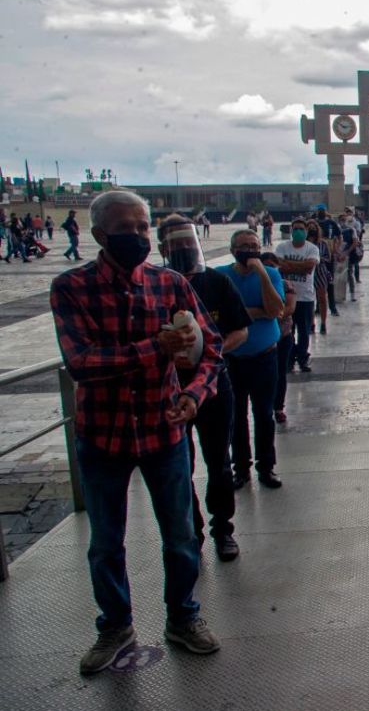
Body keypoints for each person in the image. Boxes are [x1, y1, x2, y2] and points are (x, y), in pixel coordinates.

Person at [50, 191, 223, 673]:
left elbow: (210, 352)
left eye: (144, 227)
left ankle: (183, 617)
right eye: (128, 228)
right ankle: (115, 625)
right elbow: (82, 364)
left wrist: (193, 396)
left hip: (162, 430)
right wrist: (155, 347)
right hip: (102, 436)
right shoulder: (72, 288)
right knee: (106, 540)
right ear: (101, 235)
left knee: (181, 535)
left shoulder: (169, 284)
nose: (140, 237)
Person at [159, 216, 249, 560]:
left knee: (218, 462)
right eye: (175, 245)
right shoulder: (157, 286)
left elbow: (241, 328)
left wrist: (208, 352)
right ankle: (190, 530)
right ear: (163, 249)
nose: (183, 250)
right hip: (171, 388)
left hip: (213, 384)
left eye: (187, 243)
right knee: (179, 464)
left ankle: (222, 528)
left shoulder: (217, 282)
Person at [218, 229, 286, 489]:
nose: (248, 250)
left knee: (264, 414)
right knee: (236, 415)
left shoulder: (270, 274)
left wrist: (261, 274)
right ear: (233, 249)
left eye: (253, 246)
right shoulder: (222, 276)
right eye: (243, 246)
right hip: (233, 359)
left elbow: (275, 309)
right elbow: (220, 316)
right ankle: (241, 468)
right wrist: (256, 313)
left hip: (264, 357)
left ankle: (266, 467)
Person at [275, 217, 320, 372]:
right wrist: (300, 266)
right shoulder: (282, 247)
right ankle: (289, 358)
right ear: (291, 231)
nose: (299, 232)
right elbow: (279, 267)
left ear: (306, 231)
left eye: (302, 229)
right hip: (286, 297)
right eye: (296, 229)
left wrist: (289, 265)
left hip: (305, 297)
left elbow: (309, 268)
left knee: (304, 331)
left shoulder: (312, 248)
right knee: (288, 331)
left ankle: (302, 358)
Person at [262, 252, 297, 424]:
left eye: (271, 265)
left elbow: (288, 308)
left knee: (280, 373)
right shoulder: (255, 285)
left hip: (282, 336)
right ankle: (266, 406)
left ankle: (278, 407)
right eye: (264, 265)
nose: (268, 269)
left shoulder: (285, 284)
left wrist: (267, 314)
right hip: (263, 340)